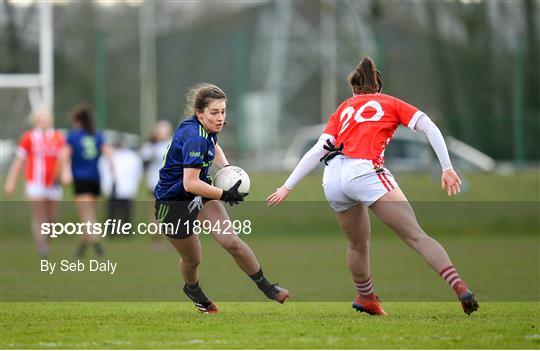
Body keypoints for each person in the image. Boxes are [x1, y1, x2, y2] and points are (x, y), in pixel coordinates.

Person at [267, 57, 478, 316]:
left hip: (333, 177)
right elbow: (429, 128)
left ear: (354, 90)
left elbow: (317, 150)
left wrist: (287, 187)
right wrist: (446, 167)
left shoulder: (344, 108)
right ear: (378, 87)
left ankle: (366, 297)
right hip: (364, 170)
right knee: (415, 235)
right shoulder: (390, 102)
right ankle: (460, 287)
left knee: (357, 243)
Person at [154, 83, 289, 313]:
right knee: (193, 260)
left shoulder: (207, 129)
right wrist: (224, 193)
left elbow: (214, 147)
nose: (220, 118)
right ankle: (193, 289)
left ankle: (267, 287)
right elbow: (189, 183)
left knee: (232, 242)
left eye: (223, 111)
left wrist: (226, 170)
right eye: (214, 113)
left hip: (200, 193)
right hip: (173, 203)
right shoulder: (195, 137)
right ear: (199, 113)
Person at [4, 107, 65, 257]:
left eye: (46, 118)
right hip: (34, 182)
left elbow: (64, 159)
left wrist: (65, 174)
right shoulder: (29, 137)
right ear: (36, 121)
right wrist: (10, 181)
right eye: (40, 119)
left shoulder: (58, 137)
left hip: (53, 183)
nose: (43, 122)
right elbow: (19, 160)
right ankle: (42, 246)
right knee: (39, 214)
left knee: (52, 218)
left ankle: (47, 241)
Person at [61, 104, 113, 257]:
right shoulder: (97, 135)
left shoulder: (73, 136)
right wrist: (112, 169)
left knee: (87, 216)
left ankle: (97, 244)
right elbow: (108, 152)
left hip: (81, 179)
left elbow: (64, 155)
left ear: (77, 121)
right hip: (95, 179)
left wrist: (65, 172)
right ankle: (82, 248)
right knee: (90, 216)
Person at [99, 134, 143, 236]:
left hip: (127, 189)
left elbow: (137, 172)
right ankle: (112, 232)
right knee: (112, 212)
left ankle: (127, 232)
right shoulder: (108, 155)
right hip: (113, 188)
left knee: (127, 212)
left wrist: (134, 186)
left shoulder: (132, 156)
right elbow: (103, 172)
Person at [140, 120, 172, 249]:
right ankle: (157, 241)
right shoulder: (150, 146)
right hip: (154, 184)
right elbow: (144, 158)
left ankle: (171, 240)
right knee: (155, 214)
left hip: (169, 185)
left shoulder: (172, 144)